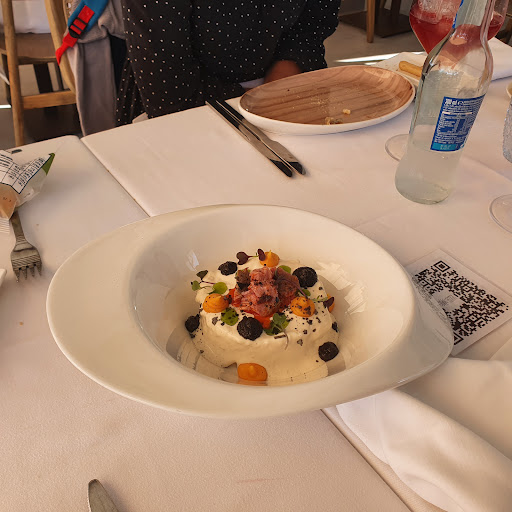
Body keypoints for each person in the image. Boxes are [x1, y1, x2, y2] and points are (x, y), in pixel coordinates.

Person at [116, 1, 340, 125]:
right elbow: (169, 92)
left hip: (287, 91)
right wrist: (263, 102)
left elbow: (312, 25)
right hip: (191, 109)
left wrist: (279, 91)